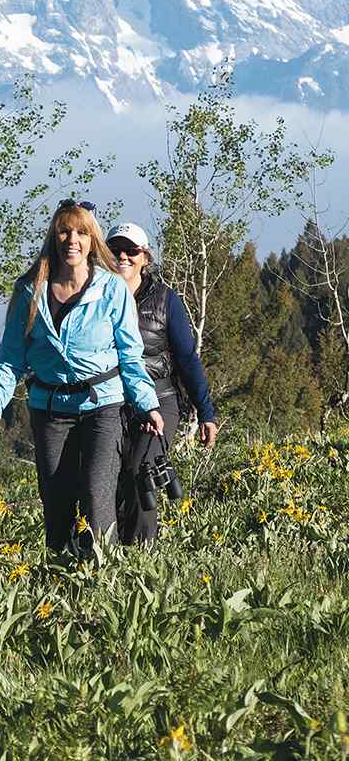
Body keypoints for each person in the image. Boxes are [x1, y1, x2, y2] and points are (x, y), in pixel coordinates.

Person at [0, 201, 164, 555]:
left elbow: (130, 356)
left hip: (102, 405)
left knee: (97, 497)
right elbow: (11, 358)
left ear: (92, 240)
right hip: (50, 408)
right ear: (53, 238)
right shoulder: (30, 290)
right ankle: (62, 581)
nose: (73, 240)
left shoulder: (112, 289)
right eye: (65, 231)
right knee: (56, 503)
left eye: (82, 233)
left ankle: (105, 579)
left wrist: (147, 404)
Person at [106, 222, 218, 543]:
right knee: (108, 479)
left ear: (146, 258)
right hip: (109, 403)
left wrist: (206, 413)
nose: (123, 257)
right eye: (116, 251)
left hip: (159, 401)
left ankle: (143, 555)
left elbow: (186, 359)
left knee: (141, 469)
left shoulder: (166, 300)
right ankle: (112, 556)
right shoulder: (95, 297)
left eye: (132, 251)